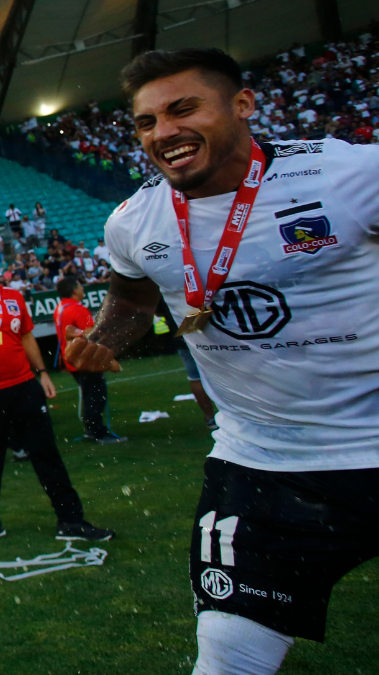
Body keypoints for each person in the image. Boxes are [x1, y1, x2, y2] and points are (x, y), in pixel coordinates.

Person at [64, 48, 379, 675]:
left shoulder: (351, 175)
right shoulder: (132, 220)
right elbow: (131, 300)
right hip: (262, 460)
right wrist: (105, 338)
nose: (164, 133)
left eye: (183, 109)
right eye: (146, 122)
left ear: (242, 105)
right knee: (228, 657)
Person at [0, 242, 114, 545]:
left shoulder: (14, 297)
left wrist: (42, 373)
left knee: (47, 454)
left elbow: (26, 336)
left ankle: (71, 520)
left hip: (23, 387)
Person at [53, 276, 125, 444]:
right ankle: (97, 432)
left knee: (88, 395)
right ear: (74, 291)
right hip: (84, 359)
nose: (82, 289)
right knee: (96, 396)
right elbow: (91, 335)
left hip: (71, 359)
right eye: (80, 285)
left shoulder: (60, 308)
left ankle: (91, 430)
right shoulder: (78, 309)